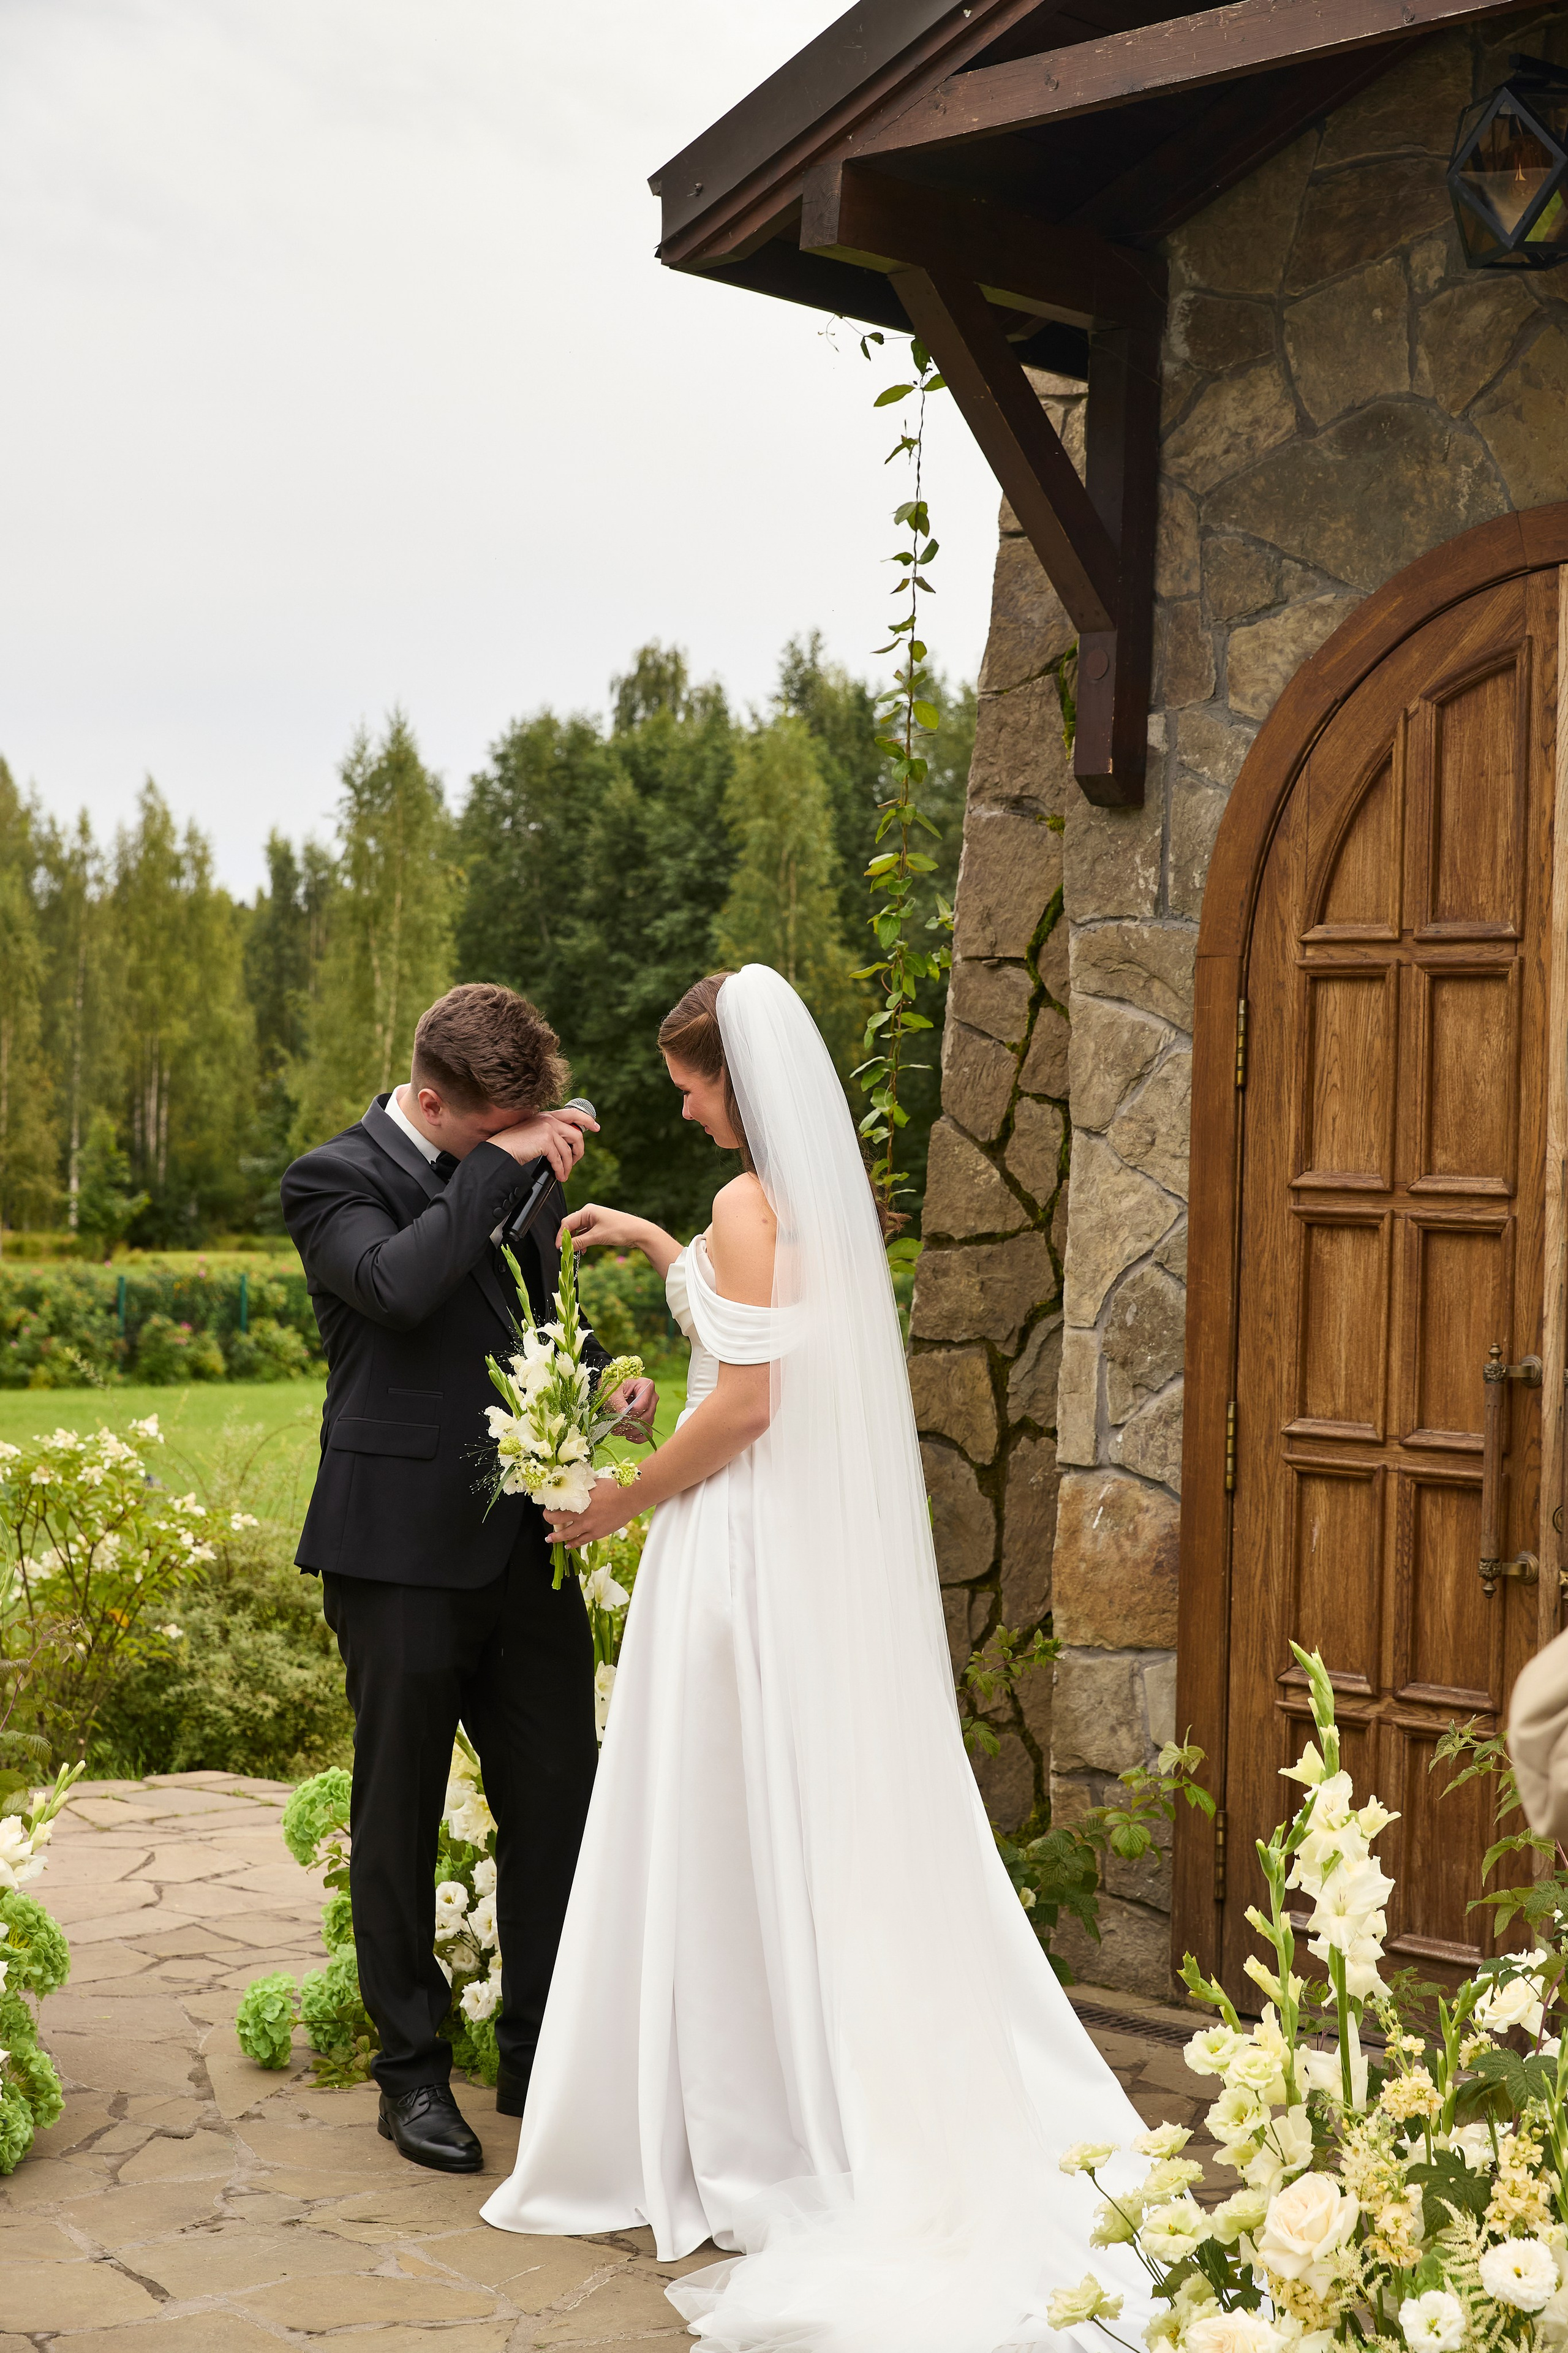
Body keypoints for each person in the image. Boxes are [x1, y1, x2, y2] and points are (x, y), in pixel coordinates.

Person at [481, 965, 1148, 2352]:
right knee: (798, 1801)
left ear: (735, 1080)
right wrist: (657, 1244)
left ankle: (745, 2106)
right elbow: (758, 1321)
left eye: (691, 1086)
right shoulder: (810, 1211)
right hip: (798, 1546)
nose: (683, 1107)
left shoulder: (749, 1205)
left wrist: (617, 1498)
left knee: (725, 1808)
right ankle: (812, 2071)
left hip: (733, 1543)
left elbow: (744, 1405)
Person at [281, 983, 657, 2176]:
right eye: (498, 1127)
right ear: (433, 1100)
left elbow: (524, 1323)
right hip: (394, 1556)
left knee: (558, 1804)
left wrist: (598, 1387)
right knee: (395, 1816)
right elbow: (400, 1286)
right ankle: (410, 2076)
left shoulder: (508, 1175)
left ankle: (539, 2059)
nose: (526, 1146)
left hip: (521, 1553)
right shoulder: (331, 1179)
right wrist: (502, 1166)